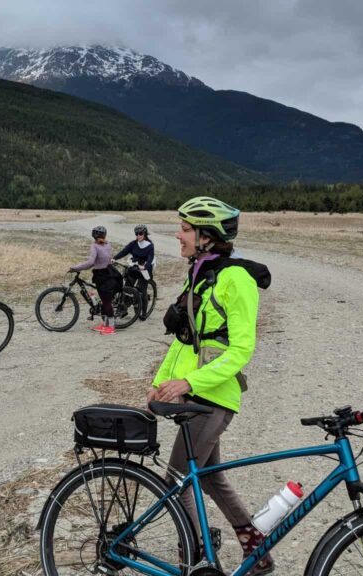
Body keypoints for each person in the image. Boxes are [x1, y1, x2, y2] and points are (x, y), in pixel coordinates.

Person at [148, 196, 274, 575]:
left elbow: (241, 350)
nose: (178, 235)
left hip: (213, 399)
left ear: (207, 236)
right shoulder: (202, 274)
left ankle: (197, 560)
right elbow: (185, 341)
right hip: (196, 397)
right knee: (212, 480)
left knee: (177, 482)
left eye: (185, 229)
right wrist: (160, 383)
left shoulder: (237, 279)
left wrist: (189, 381)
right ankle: (258, 553)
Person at [69, 225, 119, 334]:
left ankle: (111, 327)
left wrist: (75, 268)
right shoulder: (108, 244)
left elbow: (90, 262)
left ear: (93, 236)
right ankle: (105, 325)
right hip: (110, 273)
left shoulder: (94, 246)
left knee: (106, 301)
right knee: (105, 300)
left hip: (101, 276)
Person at [114, 224, 155, 319]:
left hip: (145, 268)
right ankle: (123, 309)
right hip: (135, 266)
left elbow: (150, 258)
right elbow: (124, 251)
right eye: (136, 234)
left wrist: (145, 266)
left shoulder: (150, 246)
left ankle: (144, 312)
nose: (138, 236)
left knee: (143, 291)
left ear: (145, 234)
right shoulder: (133, 243)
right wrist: (114, 258)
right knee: (127, 288)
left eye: (140, 233)